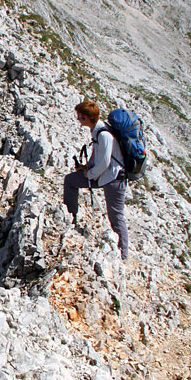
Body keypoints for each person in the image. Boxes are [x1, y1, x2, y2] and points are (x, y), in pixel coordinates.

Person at [63, 100, 129, 260]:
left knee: (115, 215)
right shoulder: (97, 131)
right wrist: (86, 167)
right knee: (70, 180)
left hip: (114, 178)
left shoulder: (104, 134)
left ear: (87, 118)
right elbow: (98, 157)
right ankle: (70, 218)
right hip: (102, 176)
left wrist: (89, 174)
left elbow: (105, 162)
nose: (78, 119)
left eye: (79, 116)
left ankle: (123, 253)